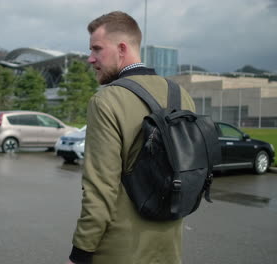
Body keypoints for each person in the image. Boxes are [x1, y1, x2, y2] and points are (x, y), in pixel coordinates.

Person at [67, 11, 196, 264]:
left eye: (97, 49)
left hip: (118, 250)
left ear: (122, 48)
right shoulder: (182, 96)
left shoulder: (107, 100)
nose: (90, 58)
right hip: (169, 248)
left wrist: (79, 253)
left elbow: (100, 190)